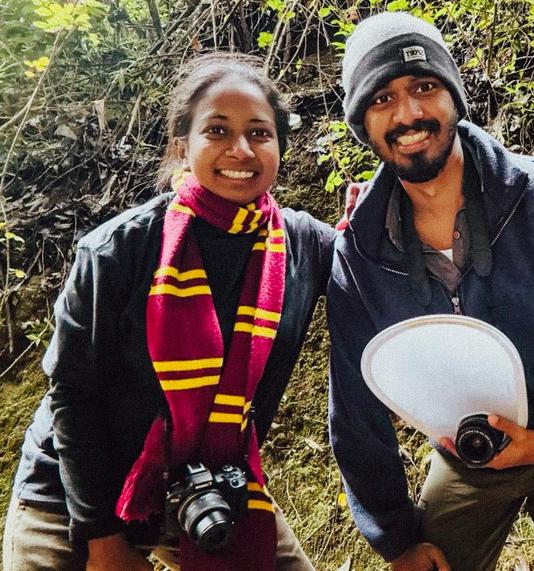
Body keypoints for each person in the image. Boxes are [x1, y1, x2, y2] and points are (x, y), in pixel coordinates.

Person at [327, 12, 534, 571]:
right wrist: (394, 536)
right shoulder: (361, 253)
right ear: (362, 123)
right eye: (382, 98)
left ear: (454, 96)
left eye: (424, 87)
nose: (409, 113)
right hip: (467, 456)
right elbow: (356, 407)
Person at [3, 53, 333, 571]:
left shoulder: (301, 247)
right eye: (217, 130)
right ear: (184, 145)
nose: (240, 149)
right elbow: (72, 393)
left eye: (259, 133)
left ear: (279, 147)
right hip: (75, 493)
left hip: (206, 483)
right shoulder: (119, 250)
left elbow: (382, 261)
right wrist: (103, 539)